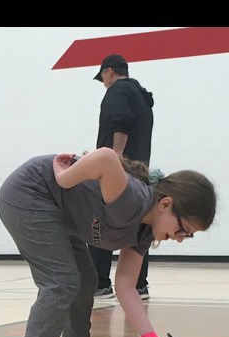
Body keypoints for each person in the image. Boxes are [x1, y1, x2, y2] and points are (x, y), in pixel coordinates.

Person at [0, 147, 216, 337]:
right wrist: (63, 179)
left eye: (187, 236)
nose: (180, 239)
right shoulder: (132, 199)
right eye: (183, 230)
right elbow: (106, 158)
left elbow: (125, 286)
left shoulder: (144, 233)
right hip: (29, 194)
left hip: (57, 212)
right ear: (165, 204)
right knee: (62, 281)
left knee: (86, 280)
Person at [89, 54, 155, 301]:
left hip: (119, 173)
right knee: (139, 228)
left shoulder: (117, 91)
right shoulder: (141, 96)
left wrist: (114, 159)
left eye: (103, 78)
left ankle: (100, 285)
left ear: (108, 72)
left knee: (98, 221)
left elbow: (120, 123)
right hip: (140, 173)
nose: (104, 83)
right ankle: (139, 285)